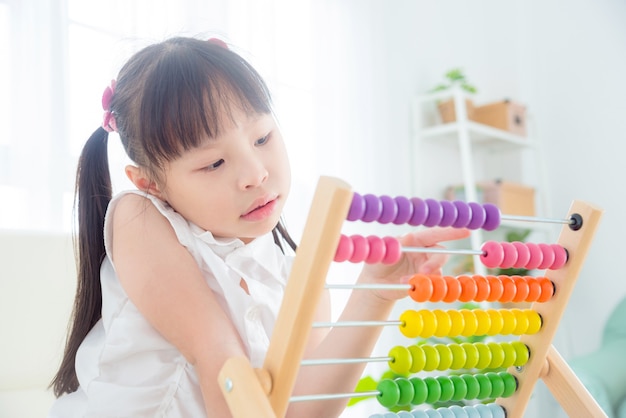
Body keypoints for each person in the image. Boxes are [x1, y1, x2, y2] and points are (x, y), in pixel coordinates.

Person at [48, 36, 469, 418]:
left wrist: (373, 295)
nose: (255, 173)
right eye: (214, 163)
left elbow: (301, 409)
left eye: (263, 138)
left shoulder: (294, 271)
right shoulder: (138, 219)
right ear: (151, 183)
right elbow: (222, 363)